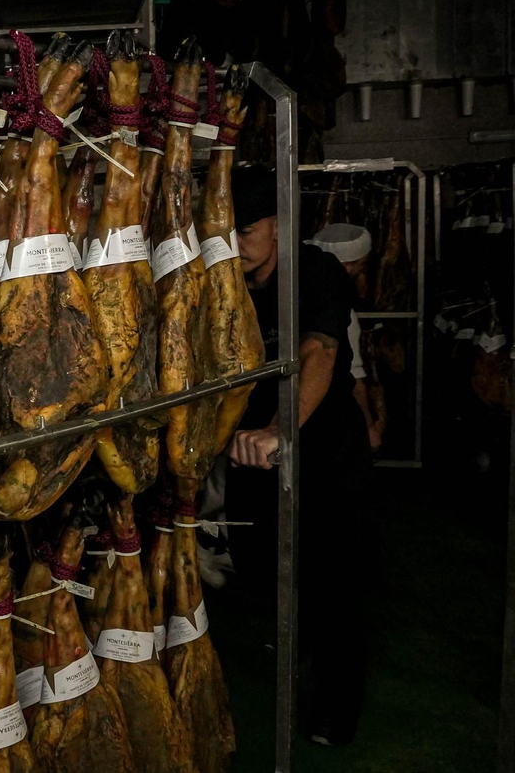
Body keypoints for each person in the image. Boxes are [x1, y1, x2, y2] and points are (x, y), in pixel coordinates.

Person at [225, 166, 374, 747]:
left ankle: (338, 708)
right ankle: (303, 632)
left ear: (280, 226)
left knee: (337, 580)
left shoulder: (316, 269)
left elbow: (319, 349)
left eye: (244, 231)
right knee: (260, 565)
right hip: (252, 452)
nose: (234, 245)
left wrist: (279, 430)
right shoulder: (225, 279)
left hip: (322, 446)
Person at [311, 222, 386, 451]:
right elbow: (353, 379)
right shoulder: (342, 314)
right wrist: (369, 428)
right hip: (323, 415)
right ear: (349, 266)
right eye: (360, 267)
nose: (360, 274)